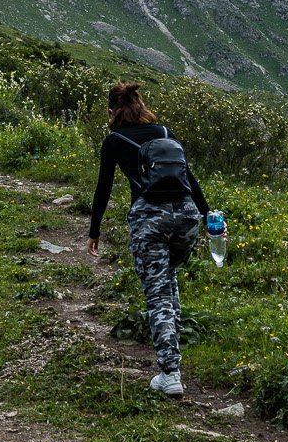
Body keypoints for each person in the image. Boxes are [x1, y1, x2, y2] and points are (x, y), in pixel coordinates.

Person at [86, 81, 220, 398]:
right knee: (167, 280)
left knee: (158, 293)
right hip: (186, 218)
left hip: (151, 220)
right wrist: (209, 218)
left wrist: (95, 231)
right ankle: (171, 356)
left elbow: (103, 188)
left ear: (111, 112)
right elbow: (190, 178)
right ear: (140, 107)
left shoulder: (114, 141)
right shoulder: (164, 132)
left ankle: (170, 373)